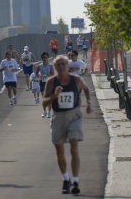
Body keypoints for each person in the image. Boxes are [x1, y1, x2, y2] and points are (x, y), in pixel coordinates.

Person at [42, 56, 93, 195]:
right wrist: (54, 96)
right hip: (58, 117)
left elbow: (86, 89)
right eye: (58, 64)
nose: (61, 66)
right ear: (55, 67)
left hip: (74, 115)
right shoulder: (51, 82)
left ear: (68, 65)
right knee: (59, 151)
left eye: (63, 63)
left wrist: (89, 103)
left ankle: (75, 181)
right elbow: (44, 103)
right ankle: (66, 179)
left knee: (74, 146)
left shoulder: (76, 79)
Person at [38, 51, 54, 118]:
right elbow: (36, 73)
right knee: (44, 98)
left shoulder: (50, 65)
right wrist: (40, 76)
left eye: (46, 57)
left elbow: (53, 74)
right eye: (44, 57)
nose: (45, 59)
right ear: (42, 58)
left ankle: (49, 113)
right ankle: (44, 112)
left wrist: (48, 75)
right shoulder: (40, 66)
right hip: (42, 82)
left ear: (48, 58)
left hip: (49, 83)